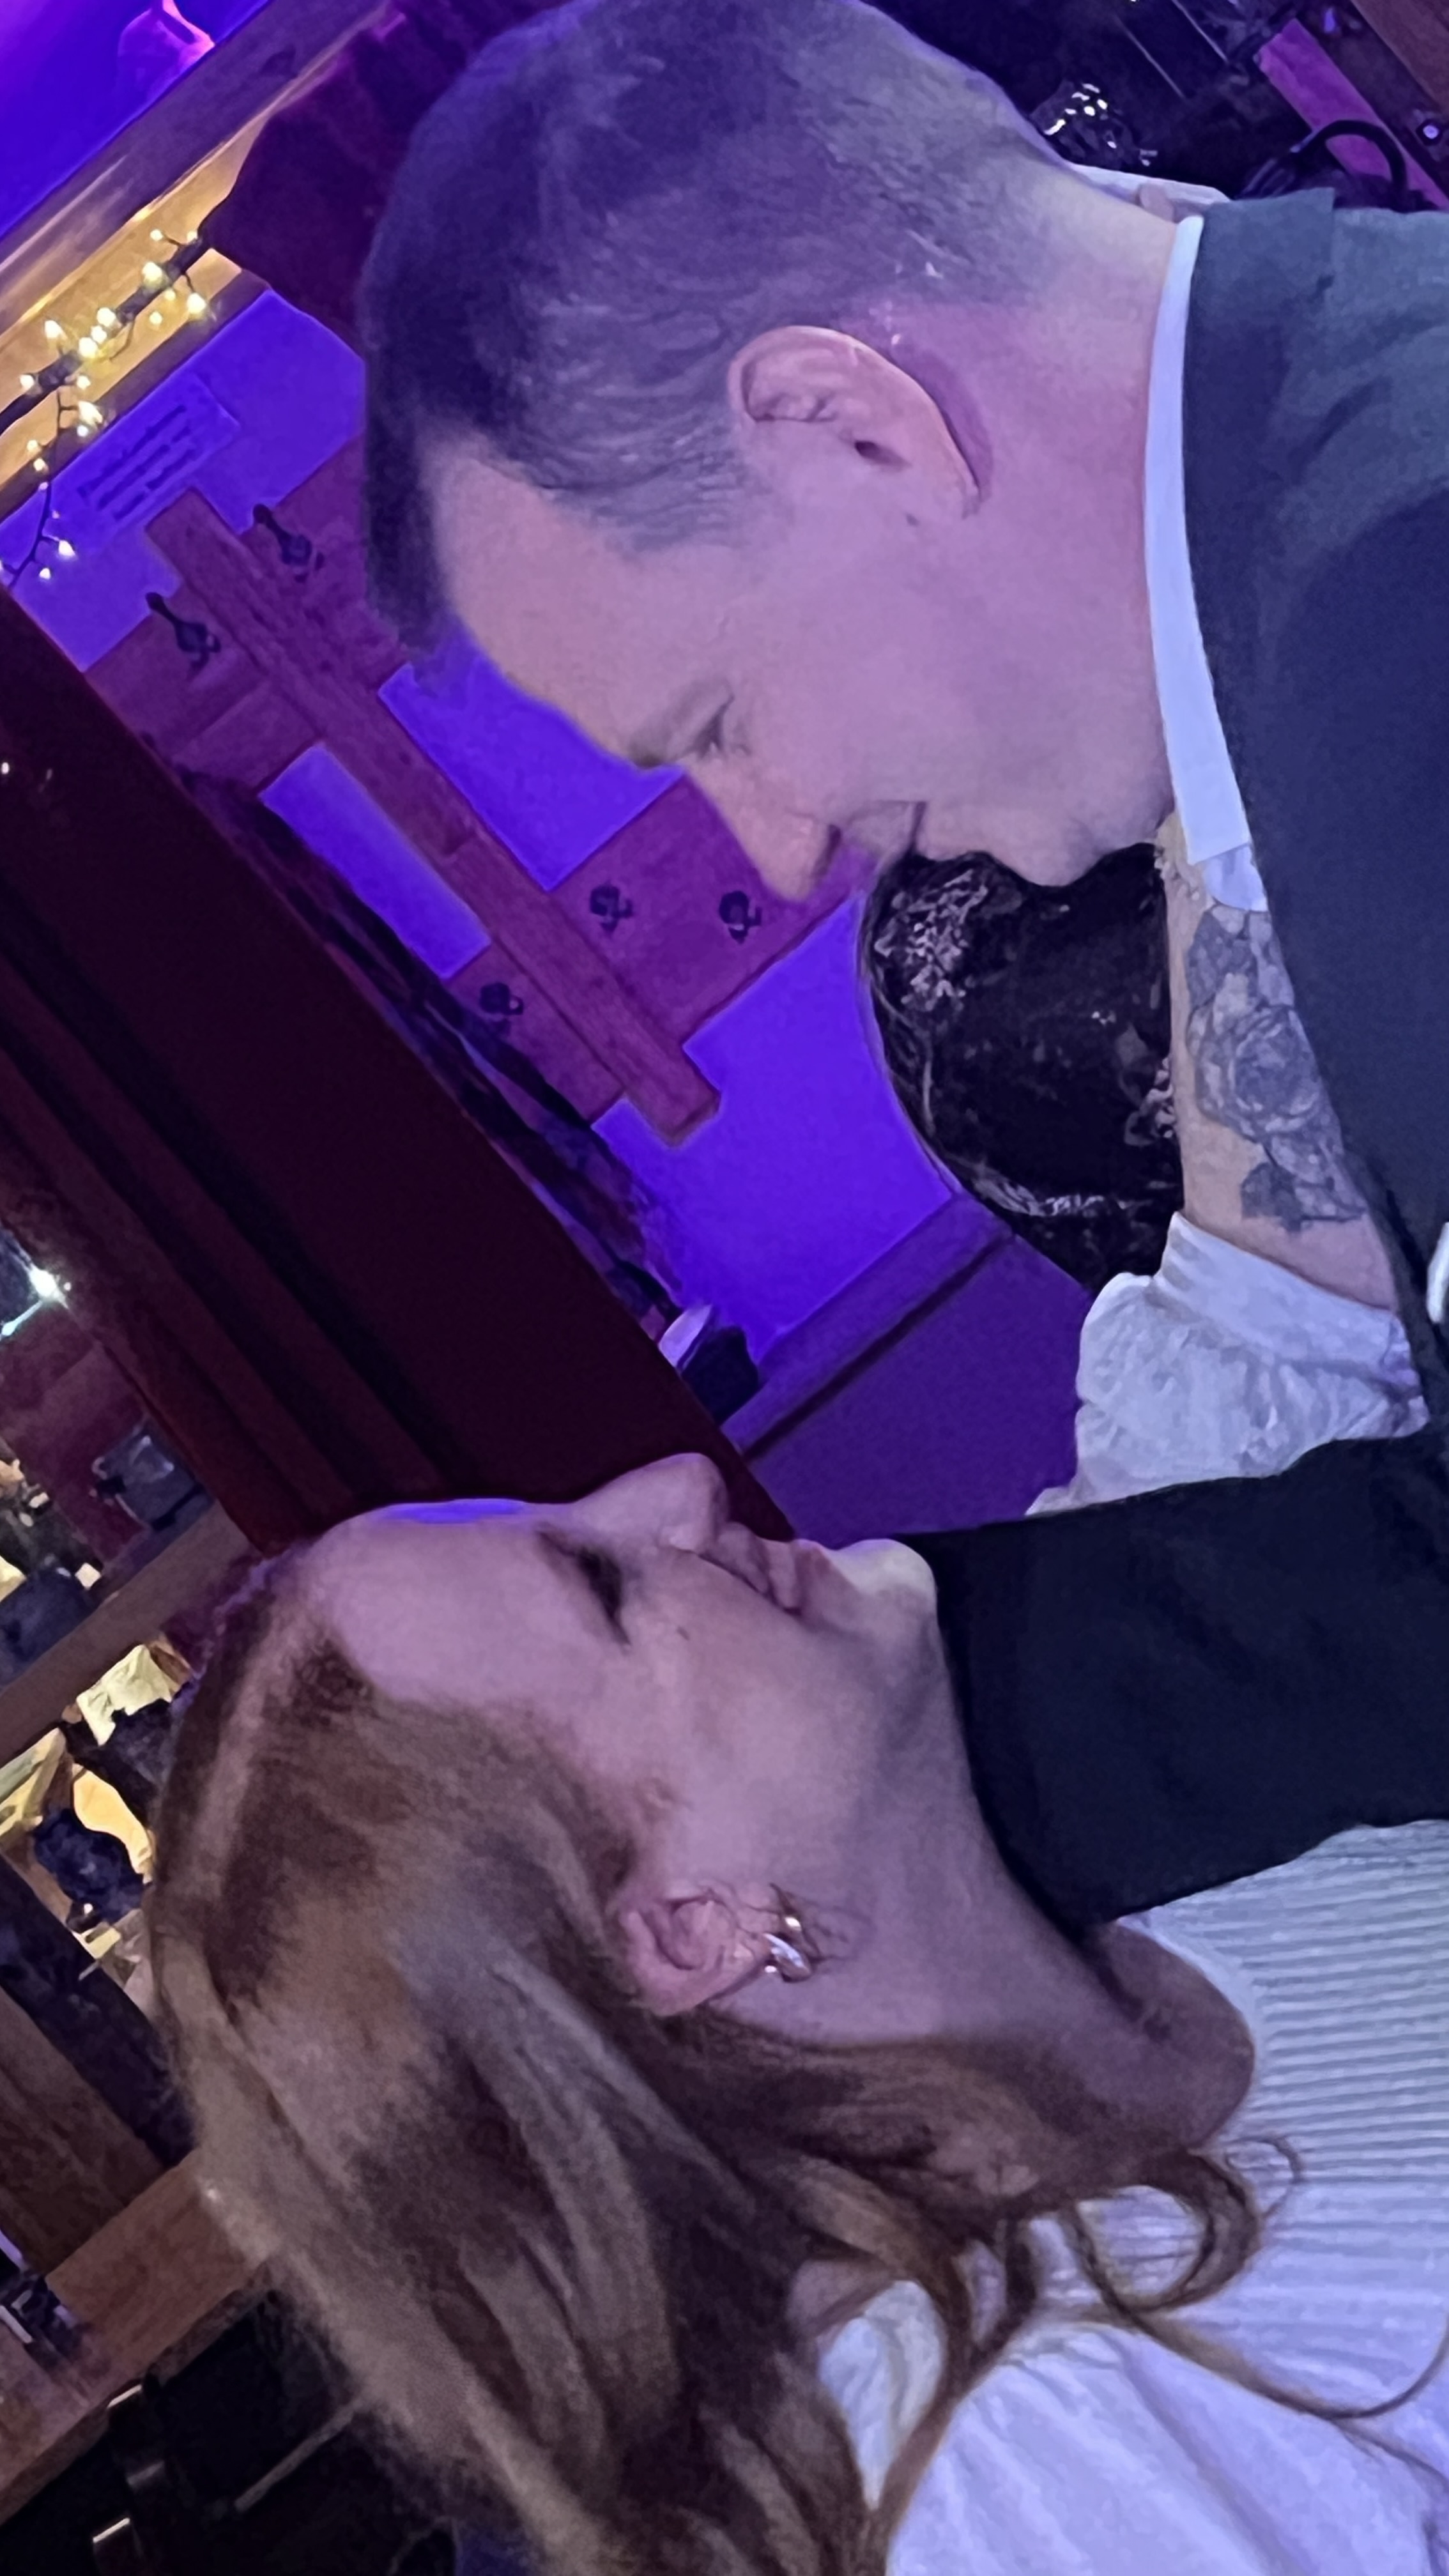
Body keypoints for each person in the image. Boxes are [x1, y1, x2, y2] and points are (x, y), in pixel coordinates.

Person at [358, 0, 1449, 1441]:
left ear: (850, 424)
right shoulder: (1320, 527)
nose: (786, 851)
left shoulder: (1397, 630)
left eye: (719, 722)